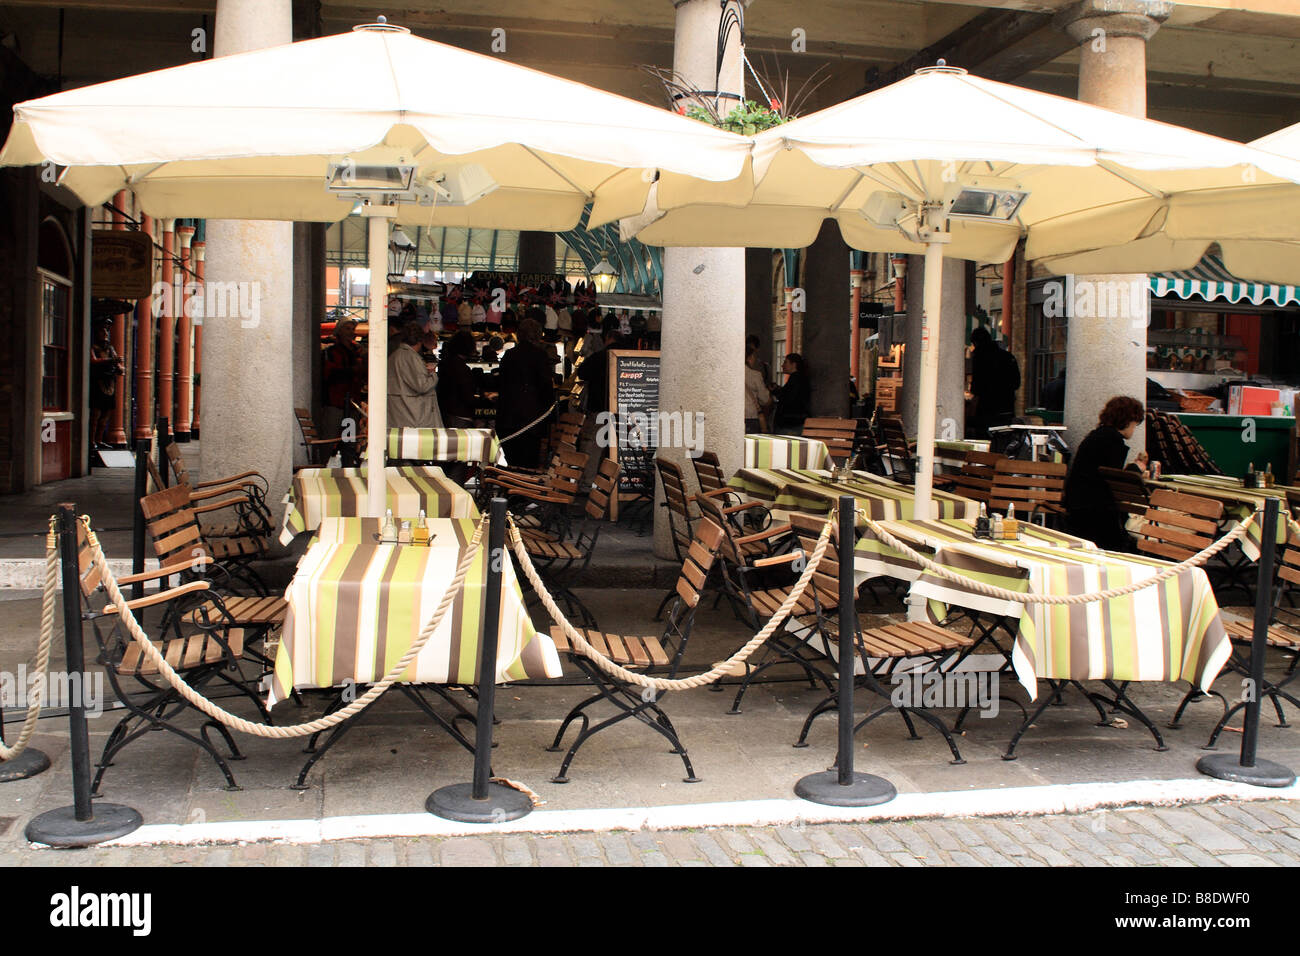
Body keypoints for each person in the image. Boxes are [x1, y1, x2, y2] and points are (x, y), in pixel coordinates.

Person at [1064, 395, 1147, 552]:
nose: (1134, 429)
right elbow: (1113, 479)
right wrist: (1137, 468)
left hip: (1078, 504)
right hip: (1096, 511)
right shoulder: (1113, 441)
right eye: (1135, 425)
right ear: (1128, 421)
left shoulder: (1097, 435)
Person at [496, 316, 555, 468]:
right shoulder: (540, 356)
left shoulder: (509, 355)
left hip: (507, 420)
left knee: (513, 463)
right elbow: (546, 389)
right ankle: (521, 491)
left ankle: (513, 490)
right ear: (538, 335)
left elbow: (501, 384)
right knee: (528, 465)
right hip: (531, 422)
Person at [576, 315, 621, 490]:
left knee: (594, 447)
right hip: (627, 411)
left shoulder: (599, 356)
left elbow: (582, 373)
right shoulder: (632, 356)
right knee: (619, 448)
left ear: (608, 338)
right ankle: (617, 485)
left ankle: (588, 484)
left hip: (599, 409)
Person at [387, 320, 443, 429]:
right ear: (420, 340)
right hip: (414, 417)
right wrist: (432, 374)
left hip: (398, 413)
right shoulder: (412, 358)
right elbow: (422, 386)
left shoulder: (394, 356)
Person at [969, 326, 1020, 437]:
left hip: (986, 409)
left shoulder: (979, 357)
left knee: (984, 442)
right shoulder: (1008, 357)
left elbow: (977, 388)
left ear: (976, 342)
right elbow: (1017, 383)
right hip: (1006, 408)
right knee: (1003, 439)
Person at [321, 318, 364, 434]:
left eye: (352, 329)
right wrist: (352, 370)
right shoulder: (331, 352)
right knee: (329, 439)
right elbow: (330, 375)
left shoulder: (356, 352)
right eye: (347, 329)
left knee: (349, 442)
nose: (351, 332)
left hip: (351, 404)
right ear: (339, 331)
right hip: (335, 403)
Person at [88, 322, 123, 448]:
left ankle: (99, 439)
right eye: (103, 332)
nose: (106, 334)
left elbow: (119, 366)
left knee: (105, 416)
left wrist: (120, 367)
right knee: (95, 415)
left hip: (110, 383)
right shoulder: (93, 347)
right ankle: (91, 440)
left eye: (107, 332)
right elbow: (93, 361)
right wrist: (110, 361)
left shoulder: (110, 349)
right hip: (99, 382)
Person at [437, 330, 479, 428]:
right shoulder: (461, 368)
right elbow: (467, 396)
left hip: (447, 412)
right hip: (460, 415)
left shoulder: (446, 364)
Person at [772, 352, 811, 433]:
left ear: (794, 364)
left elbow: (789, 398)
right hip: (795, 421)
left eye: (785, 362)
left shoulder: (795, 379)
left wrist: (776, 391)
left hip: (790, 423)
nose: (782, 365)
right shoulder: (800, 378)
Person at [744, 341, 771, 434]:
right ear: (750, 358)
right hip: (750, 417)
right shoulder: (755, 375)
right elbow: (765, 399)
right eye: (754, 357)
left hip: (733, 416)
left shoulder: (730, 374)